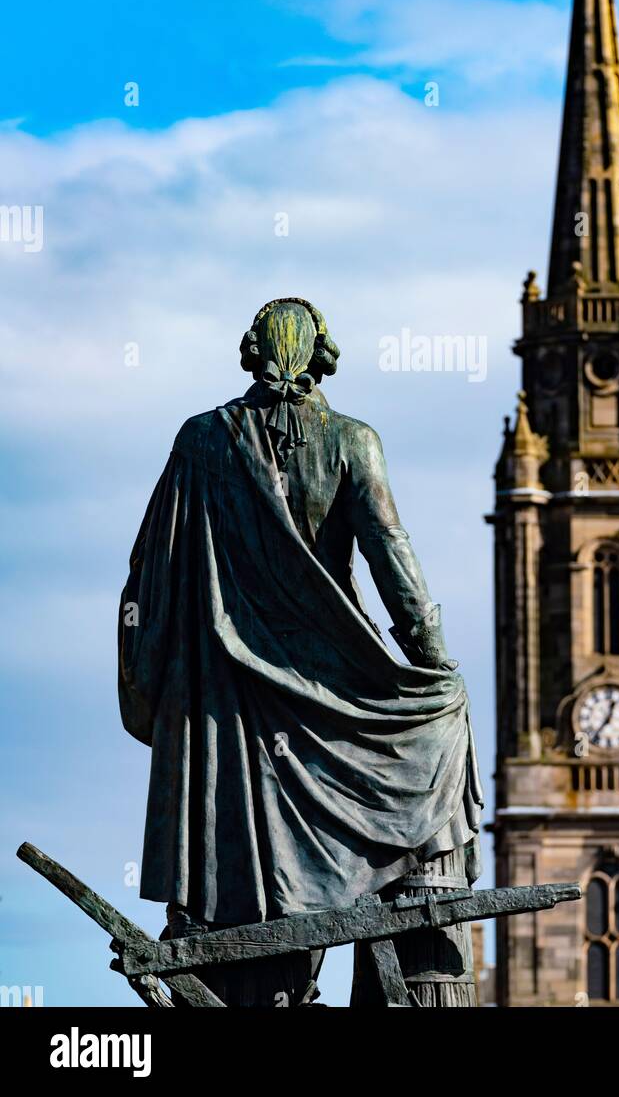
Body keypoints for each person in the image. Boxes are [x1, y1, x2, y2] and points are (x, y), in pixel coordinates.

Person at [118, 297, 482, 1006]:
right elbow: (393, 562)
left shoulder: (201, 440)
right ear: (323, 356)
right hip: (329, 688)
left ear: (252, 351)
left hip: (229, 703)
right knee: (446, 713)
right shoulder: (353, 440)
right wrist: (433, 659)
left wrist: (154, 678)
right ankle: (403, 872)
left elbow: (150, 579)